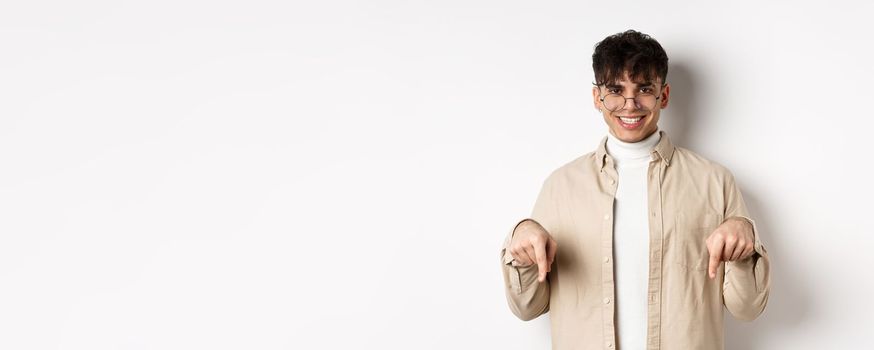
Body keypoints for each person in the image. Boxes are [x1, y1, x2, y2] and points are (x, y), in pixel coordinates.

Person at [499, 29, 771, 350]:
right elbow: (527, 307)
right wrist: (521, 249)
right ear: (597, 97)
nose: (630, 105)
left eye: (644, 89)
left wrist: (744, 245)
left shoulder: (715, 182)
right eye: (615, 90)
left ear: (664, 95)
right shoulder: (560, 186)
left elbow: (748, 307)